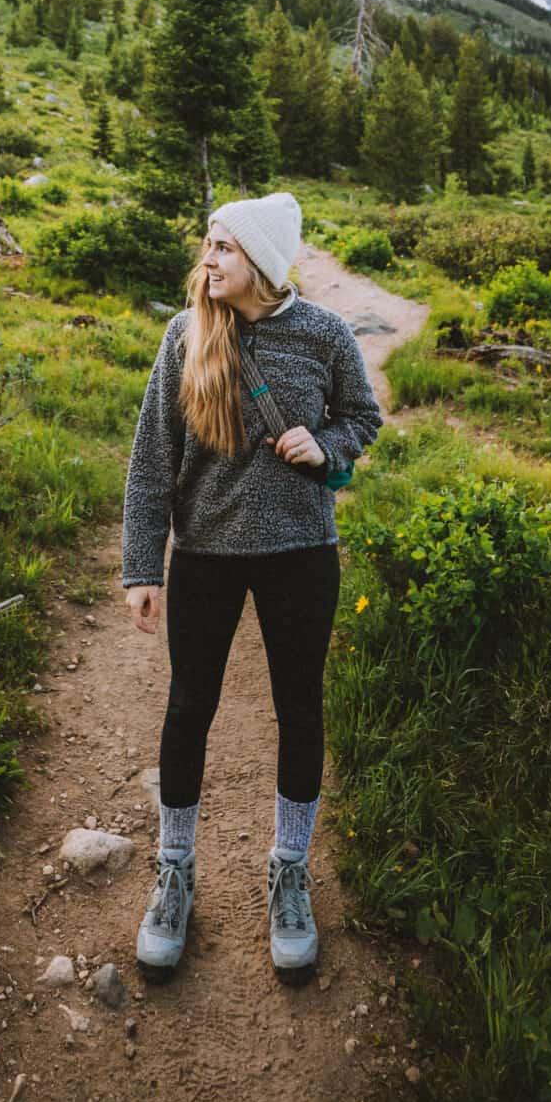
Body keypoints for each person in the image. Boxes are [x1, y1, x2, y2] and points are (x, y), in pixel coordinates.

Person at [121, 189, 382, 980]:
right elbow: (150, 461)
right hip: (204, 556)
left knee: (299, 708)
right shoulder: (184, 336)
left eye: (223, 247)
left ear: (261, 262)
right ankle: (174, 872)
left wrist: (324, 442)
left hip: (302, 551)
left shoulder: (324, 333)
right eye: (207, 244)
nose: (207, 259)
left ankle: (289, 873)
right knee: (187, 708)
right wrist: (141, 566)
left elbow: (363, 420)